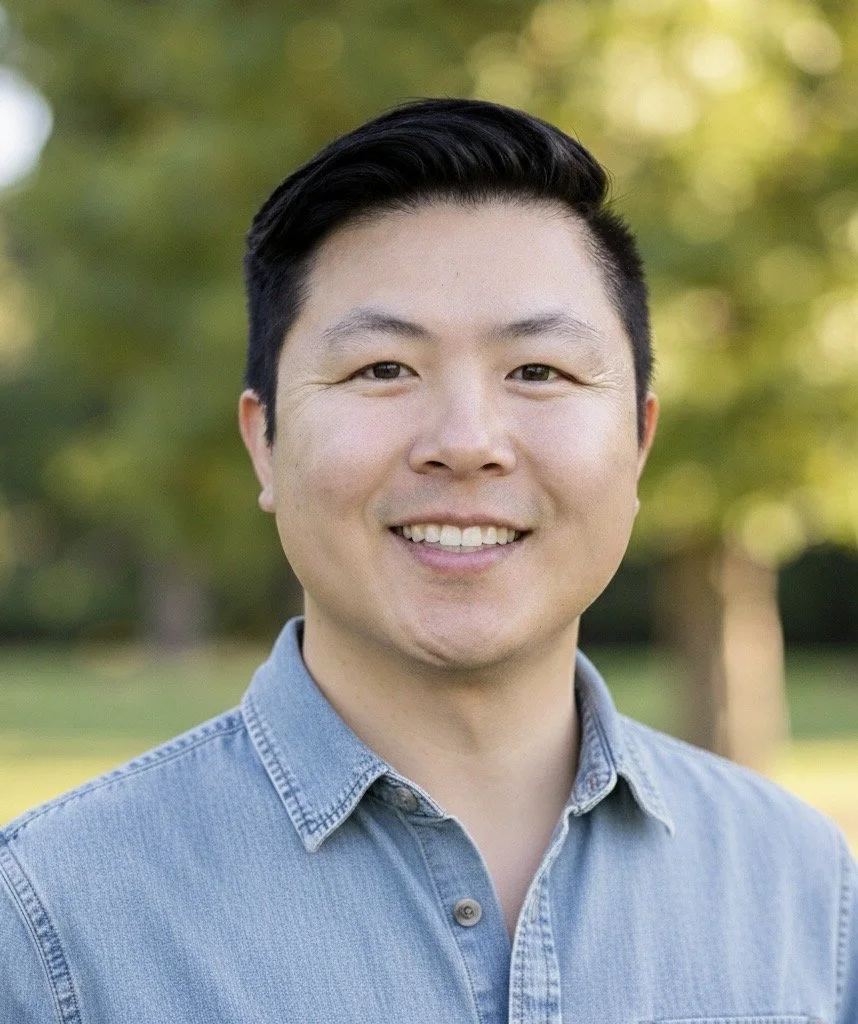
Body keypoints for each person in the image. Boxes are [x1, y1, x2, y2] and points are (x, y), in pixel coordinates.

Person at [1, 98, 854, 1024]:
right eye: (382, 369)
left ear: (640, 441)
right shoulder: (50, 923)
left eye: (538, 371)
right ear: (264, 443)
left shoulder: (810, 895)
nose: (465, 442)